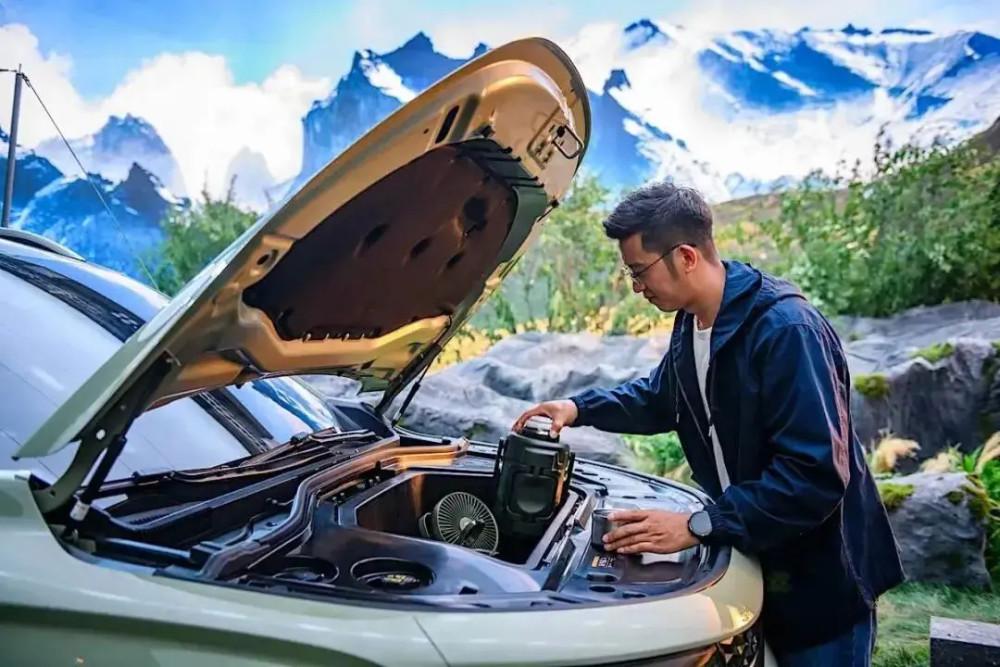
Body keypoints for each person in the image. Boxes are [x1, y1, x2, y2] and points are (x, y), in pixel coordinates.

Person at [512, 181, 905, 666]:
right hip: (759, 555)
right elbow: (661, 398)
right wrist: (577, 408)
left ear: (686, 256)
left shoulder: (786, 331)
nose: (637, 288)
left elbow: (814, 474)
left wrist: (699, 525)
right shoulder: (694, 320)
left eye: (640, 271)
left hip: (820, 580)